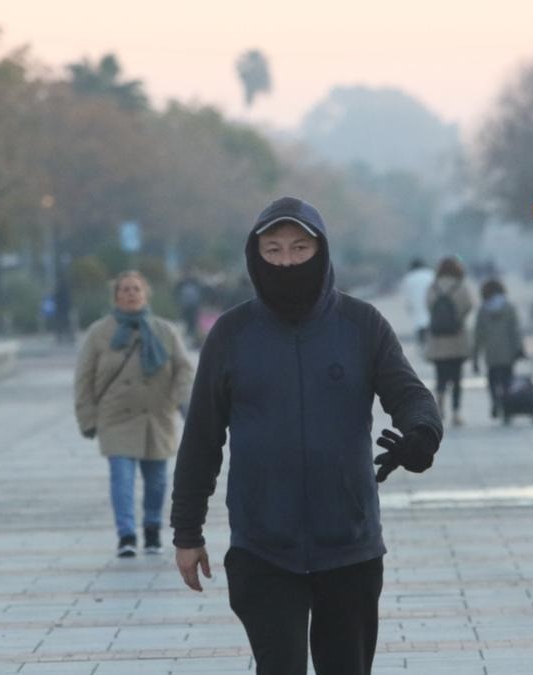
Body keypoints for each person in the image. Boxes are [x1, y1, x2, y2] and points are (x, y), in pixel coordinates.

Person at [171, 197, 442, 675]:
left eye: (300, 247)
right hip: (262, 545)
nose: (287, 260)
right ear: (256, 256)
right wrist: (187, 530)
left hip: (349, 544)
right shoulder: (232, 334)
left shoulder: (361, 325)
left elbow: (409, 392)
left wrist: (421, 434)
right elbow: (201, 437)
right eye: (273, 250)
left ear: (321, 250)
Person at [74, 270, 194, 558]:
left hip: (157, 415)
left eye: (136, 289)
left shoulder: (165, 330)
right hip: (116, 416)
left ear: (145, 294)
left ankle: (152, 529)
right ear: (116, 296)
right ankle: (126, 535)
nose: (130, 293)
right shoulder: (99, 332)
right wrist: (87, 417)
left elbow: (183, 370)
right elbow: (84, 377)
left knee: (157, 481)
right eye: (124, 289)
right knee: (121, 478)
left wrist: (185, 403)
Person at [424, 256, 474, 427]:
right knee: (457, 378)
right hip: (456, 339)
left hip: (438, 340)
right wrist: (457, 319)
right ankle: (456, 413)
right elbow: (469, 305)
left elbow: (429, 305)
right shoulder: (461, 287)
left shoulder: (433, 287)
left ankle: (439, 407)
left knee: (440, 376)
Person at [472, 279, 525, 419]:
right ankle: (507, 407)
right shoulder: (509, 307)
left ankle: (495, 401)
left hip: (491, 353)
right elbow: (515, 331)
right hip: (508, 352)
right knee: (507, 381)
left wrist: (475, 356)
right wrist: (519, 348)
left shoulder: (483, 310)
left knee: (492, 380)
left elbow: (478, 334)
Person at [401, 258, 435, 346]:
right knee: (431, 326)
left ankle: (423, 346)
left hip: (417, 306)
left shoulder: (408, 278)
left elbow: (406, 296)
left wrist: (409, 307)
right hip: (431, 306)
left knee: (420, 326)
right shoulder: (431, 274)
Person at [173, 272, 205, 347]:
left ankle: (189, 340)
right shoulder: (183, 283)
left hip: (192, 307)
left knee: (191, 325)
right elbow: (176, 293)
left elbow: (201, 295)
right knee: (185, 324)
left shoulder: (196, 284)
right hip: (186, 307)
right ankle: (184, 340)